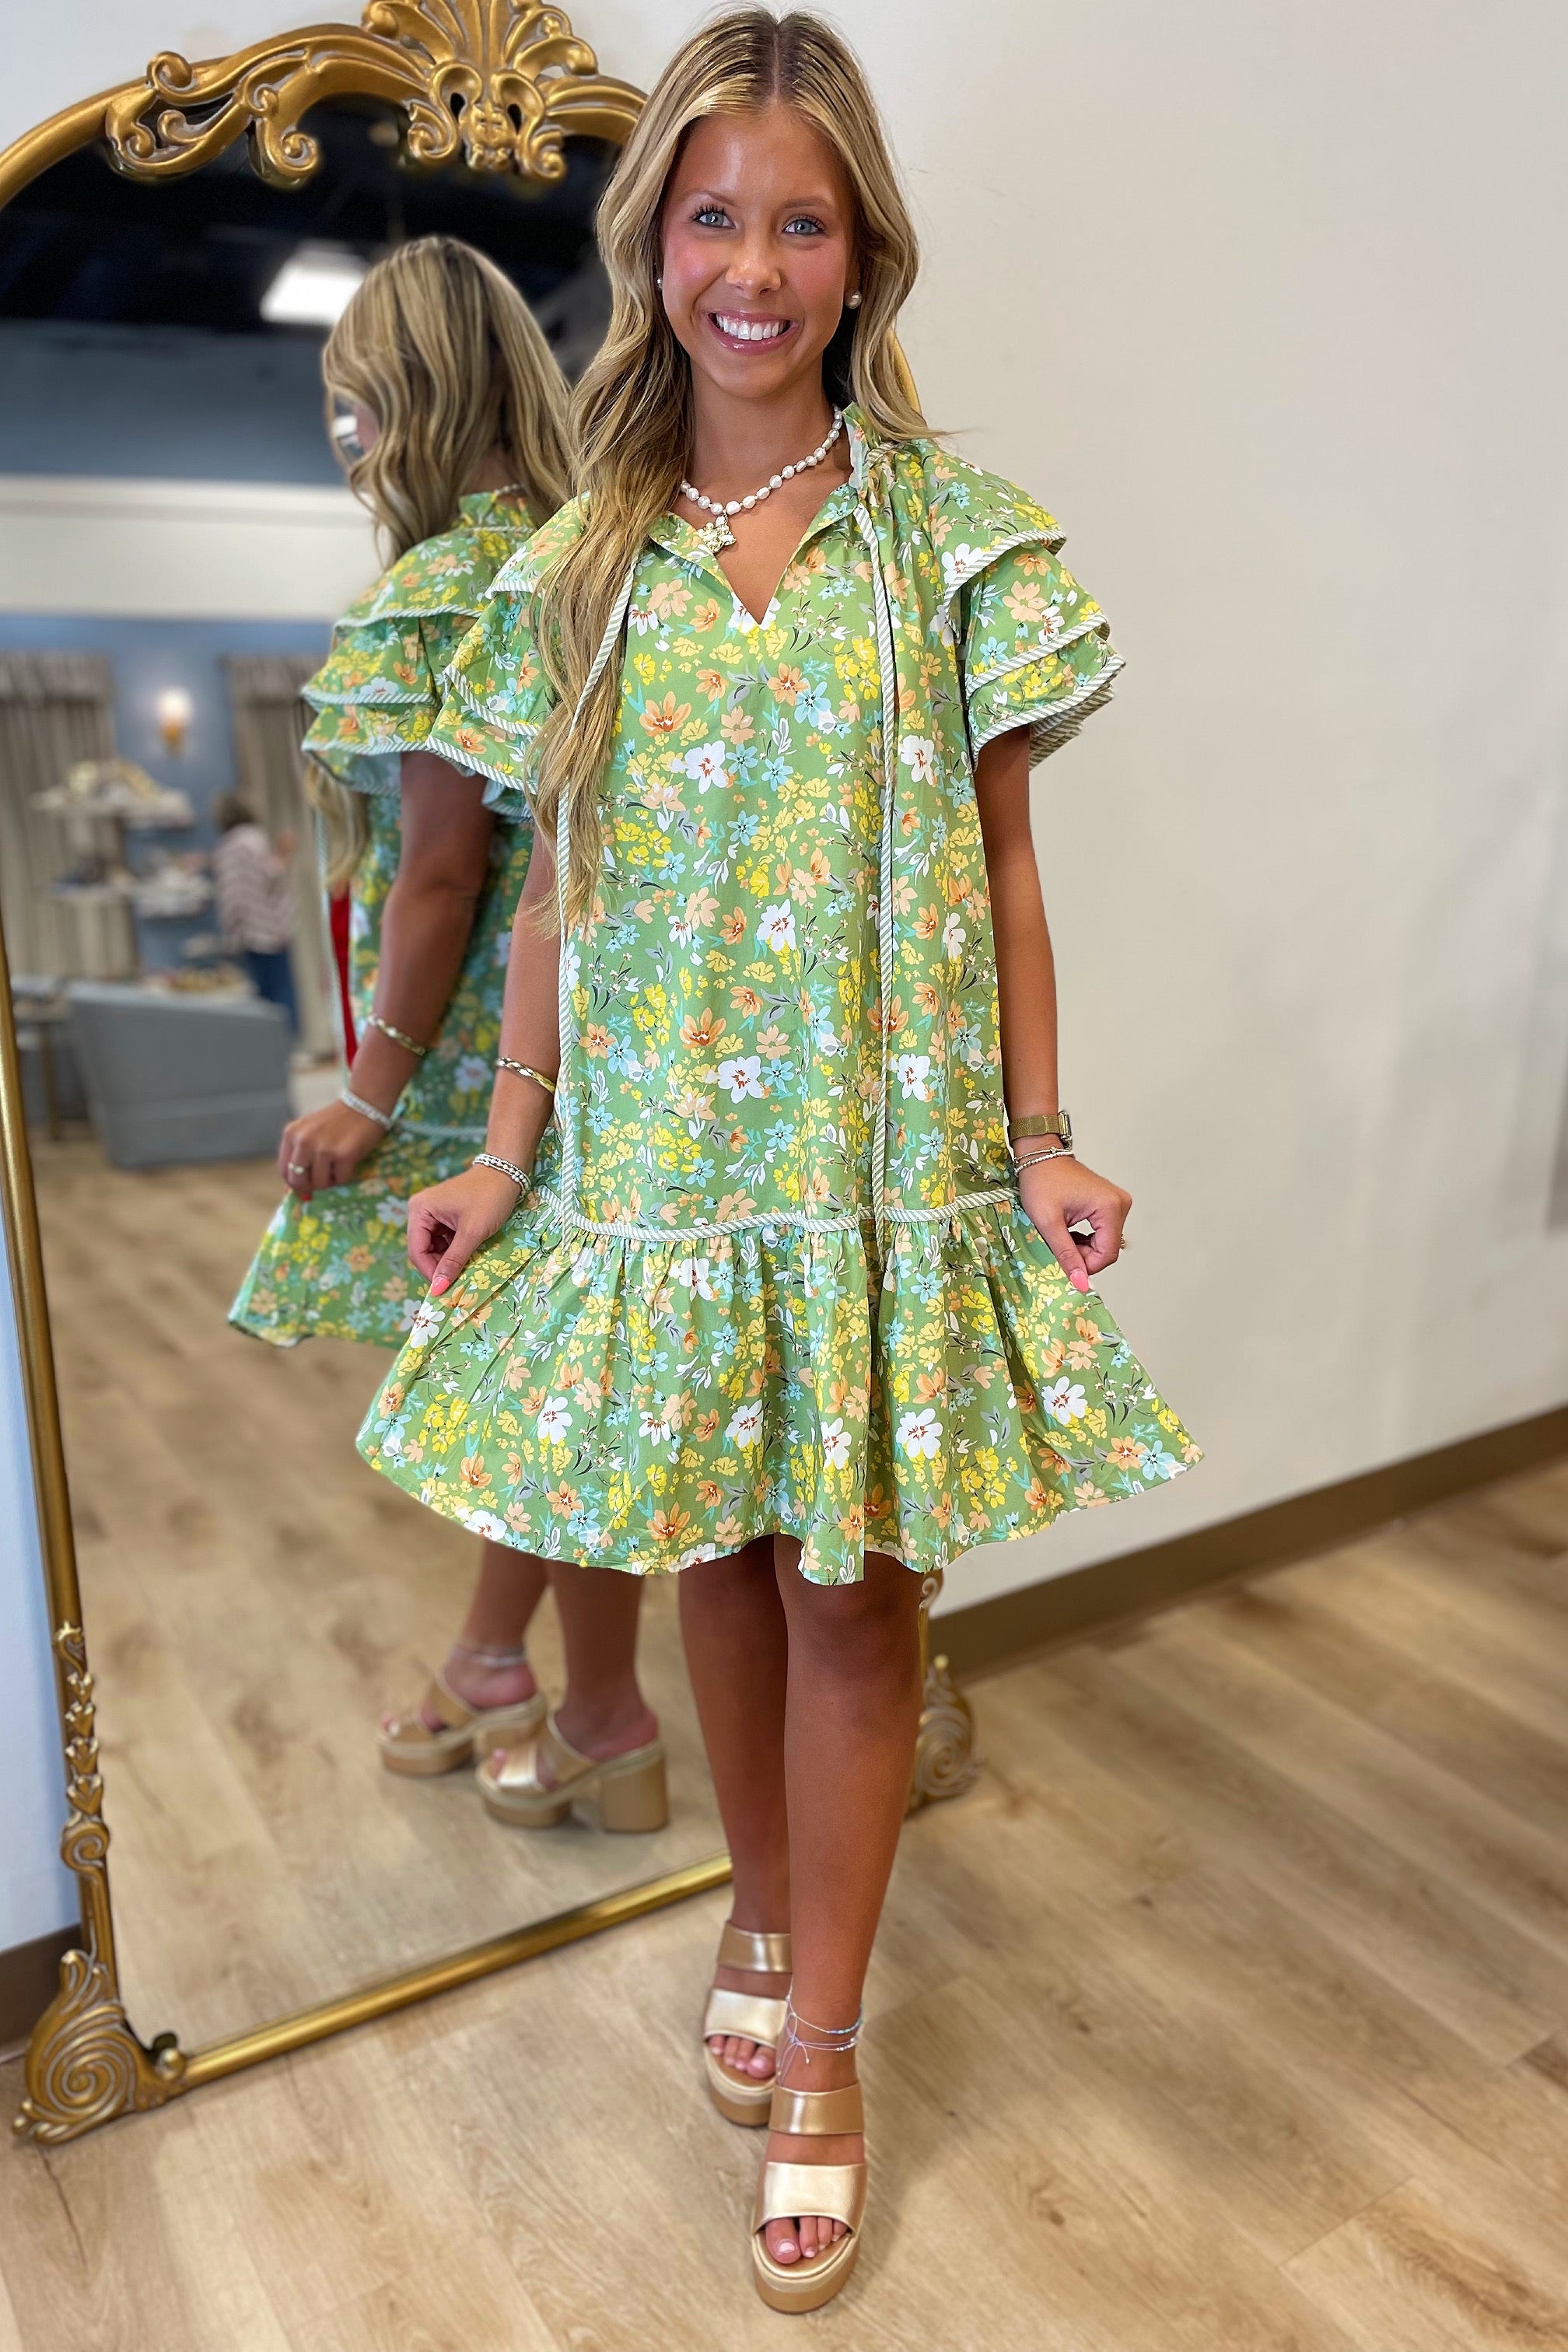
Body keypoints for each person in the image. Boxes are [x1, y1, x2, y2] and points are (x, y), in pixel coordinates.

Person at [357, 10, 1199, 2311]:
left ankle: (824, 2042)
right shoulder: (579, 568)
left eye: (801, 223)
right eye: (714, 219)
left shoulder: (956, 546)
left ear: (863, 257)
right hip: (662, 1176)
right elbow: (550, 890)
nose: (754, 266)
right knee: (723, 1562)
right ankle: (756, 1900)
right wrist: (506, 1153)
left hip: (880, 1166)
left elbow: (1006, 874)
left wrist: (1039, 1140)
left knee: (855, 1594)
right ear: (655, 249)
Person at [229, 236, 664, 1820]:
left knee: (545, 1396)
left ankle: (597, 1708)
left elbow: (440, 871)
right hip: (620, 1047)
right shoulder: (596, 555)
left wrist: (365, 1089)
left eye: (354, 405)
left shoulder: (443, 590)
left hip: (496, 1064)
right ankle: (514, 1671)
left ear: (410, 400)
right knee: (555, 1382)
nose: (344, 439)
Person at [212, 793, 299, 1033]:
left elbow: (231, 896)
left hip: (250, 932)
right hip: (273, 928)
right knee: (282, 993)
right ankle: (287, 1041)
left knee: (263, 996)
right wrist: (284, 854)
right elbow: (272, 874)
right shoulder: (254, 839)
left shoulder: (228, 847)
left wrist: (231, 933)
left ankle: (271, 1043)